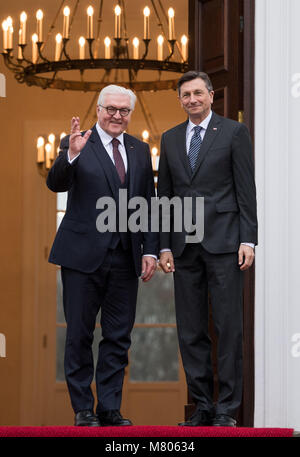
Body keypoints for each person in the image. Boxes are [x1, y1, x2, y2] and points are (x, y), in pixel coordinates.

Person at [47, 85, 158, 426]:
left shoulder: (140, 150)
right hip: (81, 256)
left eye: (124, 111)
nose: (117, 115)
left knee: (118, 336)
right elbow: (55, 183)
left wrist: (150, 249)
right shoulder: (78, 142)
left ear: (130, 114)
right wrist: (72, 155)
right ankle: (83, 409)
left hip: (125, 258)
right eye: (111, 109)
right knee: (80, 333)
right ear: (98, 110)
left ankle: (109, 408)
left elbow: (147, 205)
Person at [158, 71, 258, 427]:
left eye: (198, 93)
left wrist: (249, 240)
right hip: (184, 248)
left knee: (229, 326)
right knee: (191, 329)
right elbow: (165, 197)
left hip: (225, 243)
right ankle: (201, 406)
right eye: (185, 95)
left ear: (211, 96)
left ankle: (227, 409)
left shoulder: (233, 132)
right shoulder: (169, 139)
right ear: (180, 100)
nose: (191, 100)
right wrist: (164, 246)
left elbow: (246, 188)